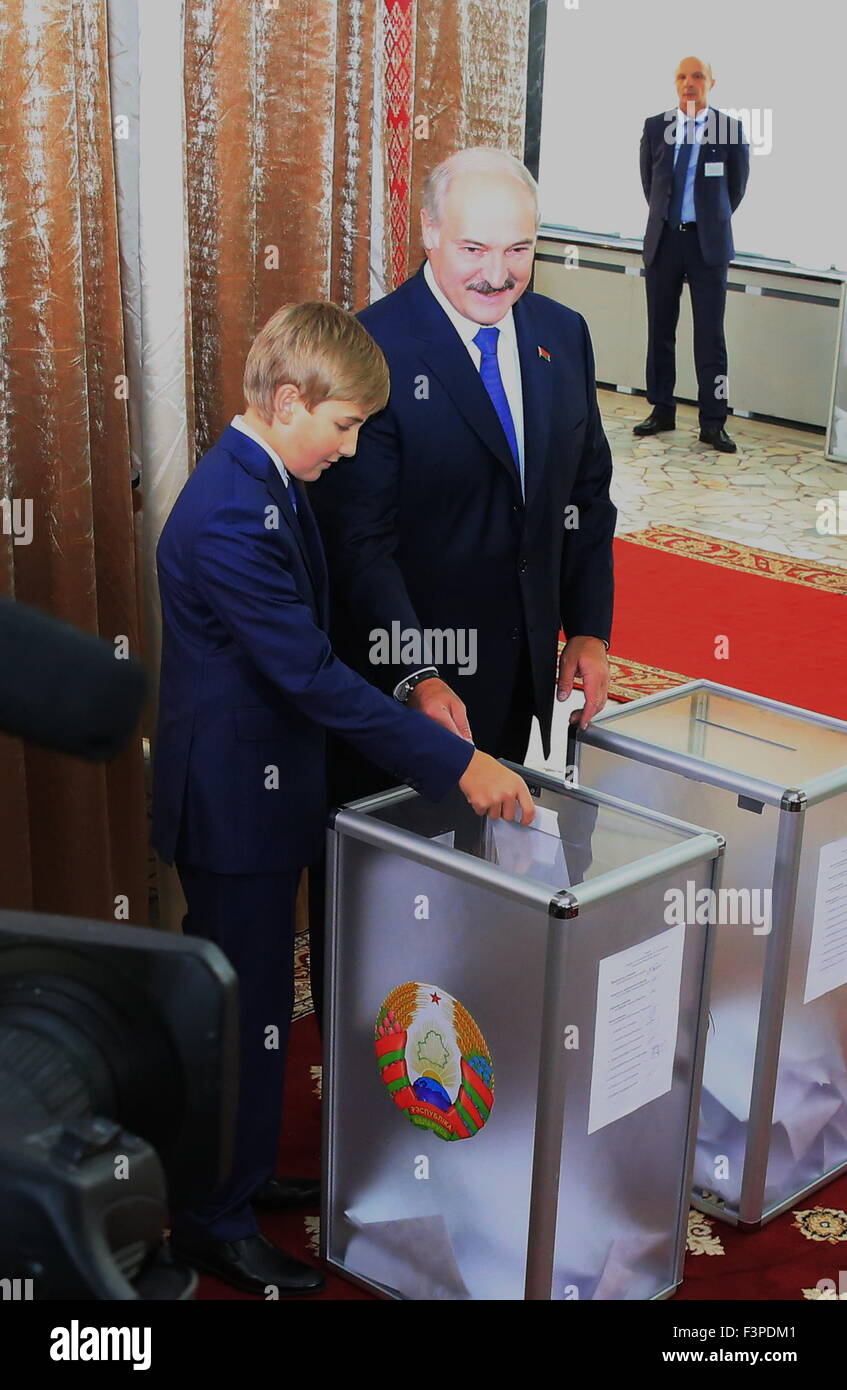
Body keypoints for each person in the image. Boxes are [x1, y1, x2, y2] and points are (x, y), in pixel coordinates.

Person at [151, 302, 533, 1297]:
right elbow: (312, 677)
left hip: (264, 783)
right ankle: (208, 1221)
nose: (352, 447)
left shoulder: (265, 475)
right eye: (346, 425)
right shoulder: (236, 511)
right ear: (287, 402)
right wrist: (459, 765)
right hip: (233, 803)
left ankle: (234, 1176)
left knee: (265, 1007)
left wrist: (413, 684)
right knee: (246, 1015)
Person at [308, 148, 616, 1014]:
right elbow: (360, 547)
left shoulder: (563, 332)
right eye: (475, 249)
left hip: (513, 677)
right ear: (431, 236)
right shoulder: (372, 346)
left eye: (517, 250)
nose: (497, 274)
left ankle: (469, 1065)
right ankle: (362, 1097)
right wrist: (415, 673)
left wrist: (587, 627)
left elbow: (585, 496)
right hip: (408, 691)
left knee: (479, 893)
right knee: (386, 903)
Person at [635, 56, 750, 452]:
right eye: (682, 76)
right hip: (665, 241)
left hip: (707, 245)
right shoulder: (656, 126)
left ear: (711, 83)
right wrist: (671, 220)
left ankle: (713, 421)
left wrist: (707, 221)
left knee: (710, 336)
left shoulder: (730, 130)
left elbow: (735, 189)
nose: (689, 83)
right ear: (675, 83)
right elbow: (650, 184)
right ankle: (661, 409)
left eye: (697, 76)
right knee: (660, 329)